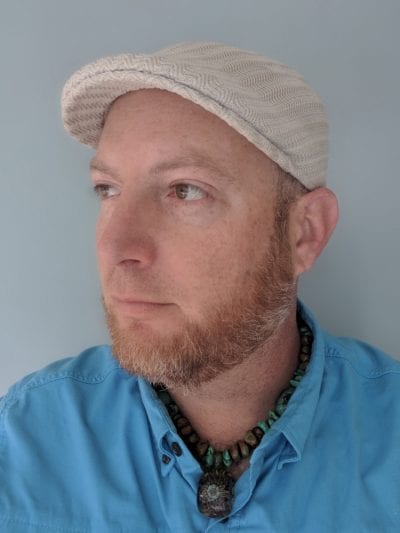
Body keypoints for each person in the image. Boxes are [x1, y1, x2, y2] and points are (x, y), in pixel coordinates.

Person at [1, 41, 399, 532]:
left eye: (185, 190)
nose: (115, 246)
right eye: (108, 189)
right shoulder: (26, 437)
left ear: (304, 233)